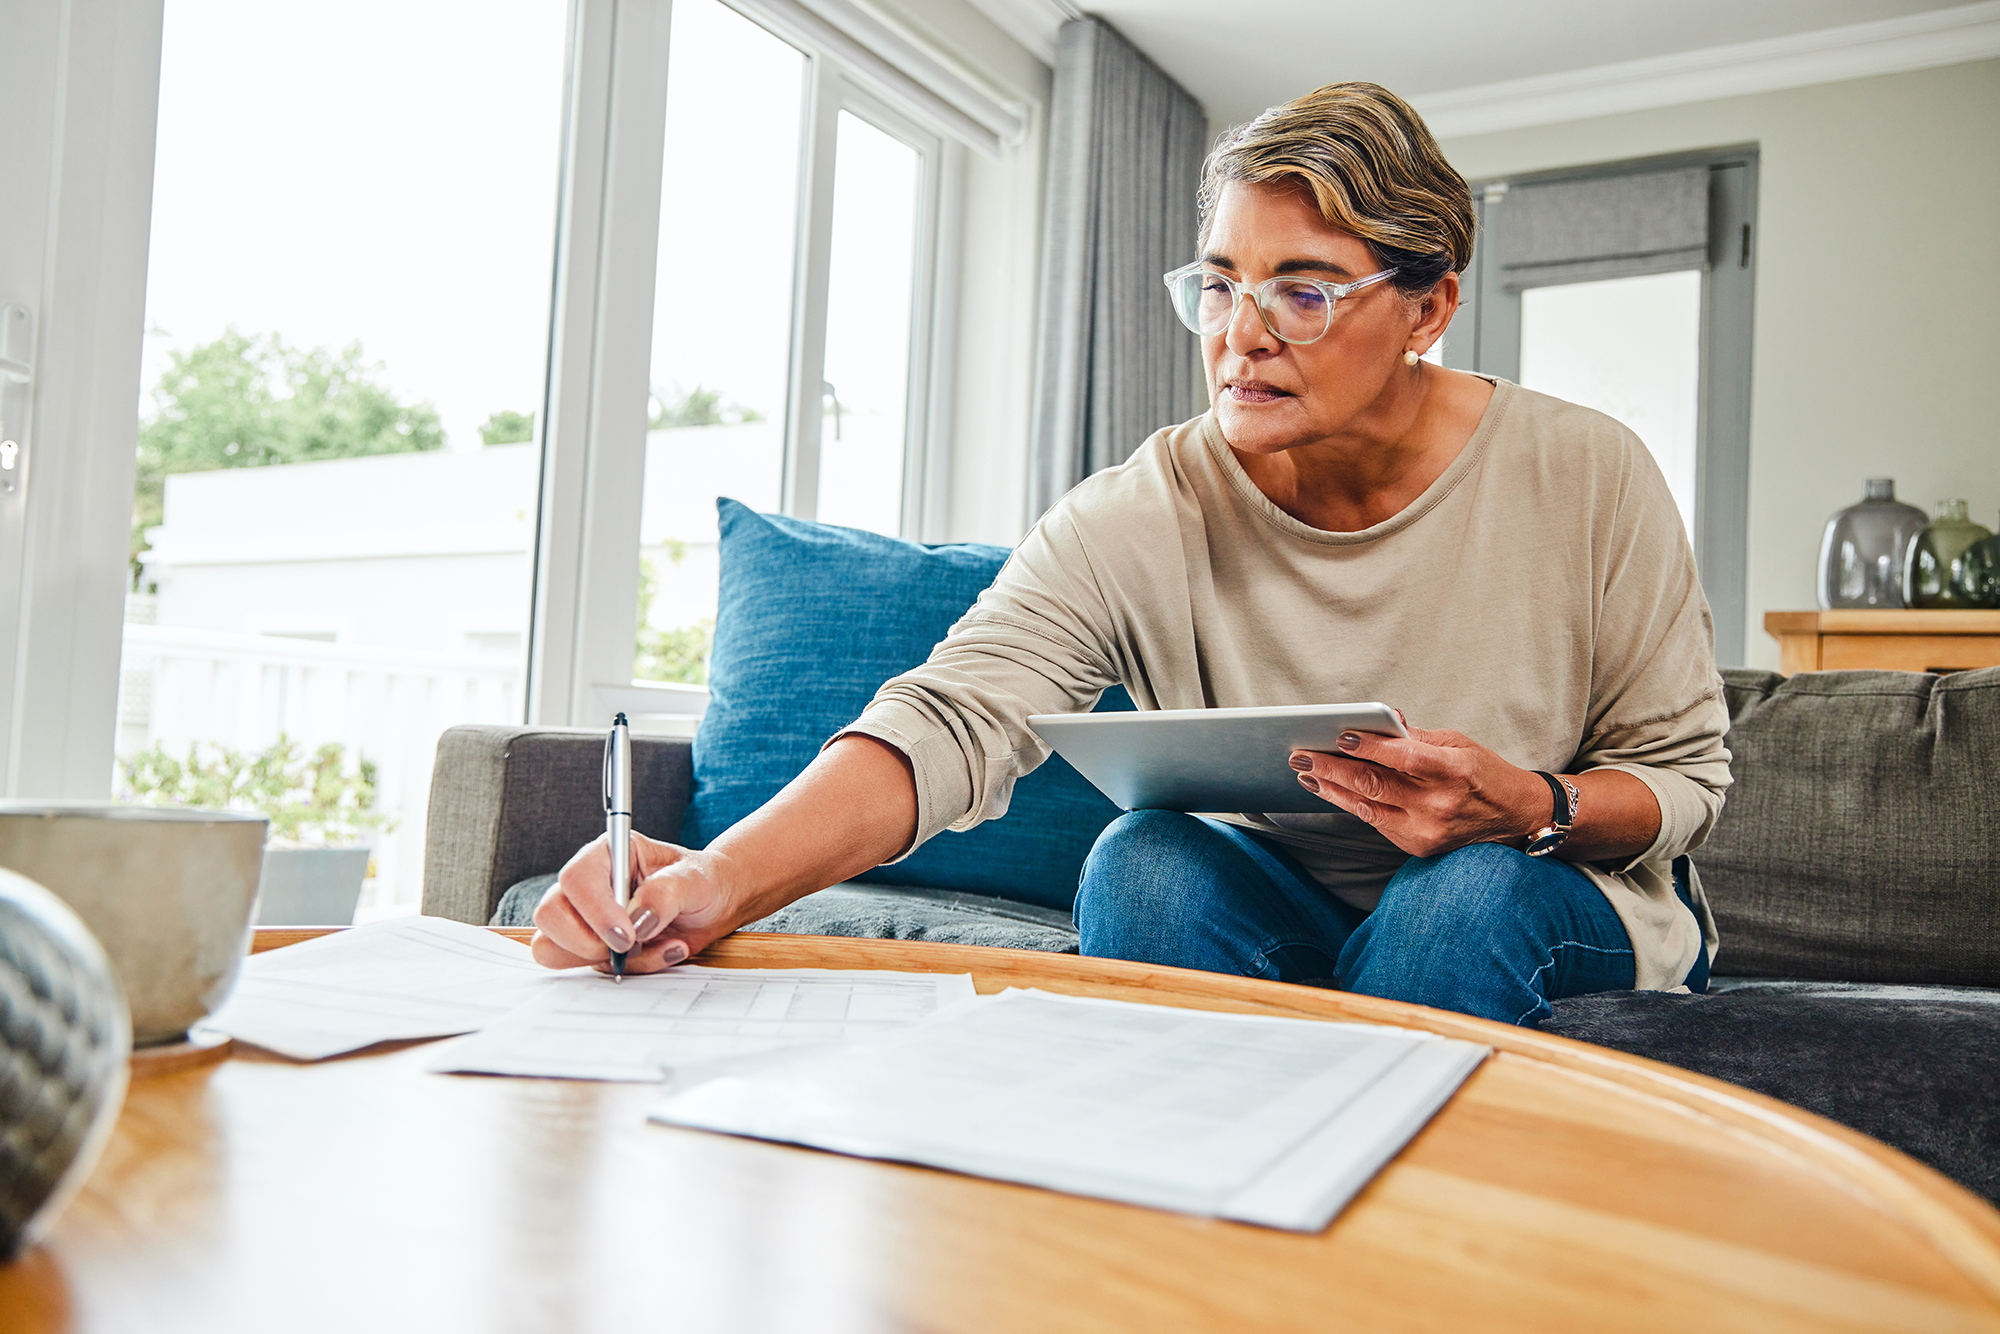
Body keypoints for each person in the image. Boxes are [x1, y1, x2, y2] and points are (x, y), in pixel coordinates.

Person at [529, 81, 1730, 1026]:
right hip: (1288, 901)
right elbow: (951, 717)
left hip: (1545, 893)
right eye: (1218, 285)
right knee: (1142, 861)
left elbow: (1680, 787)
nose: (1238, 337)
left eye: (1301, 292)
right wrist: (715, 879)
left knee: (1460, 893)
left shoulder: (1586, 472)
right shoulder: (1145, 508)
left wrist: (1526, 802)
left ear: (1426, 309)